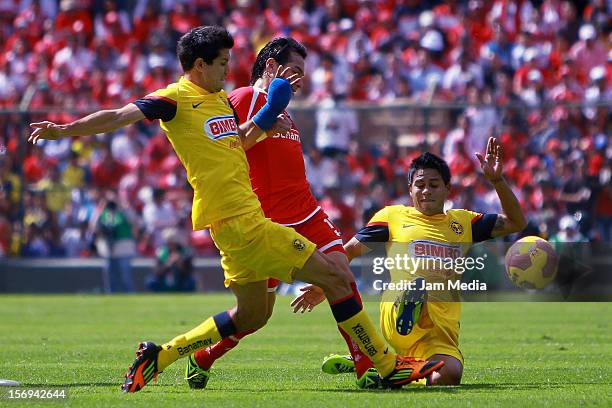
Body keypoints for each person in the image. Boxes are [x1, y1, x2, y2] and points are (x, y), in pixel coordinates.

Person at [28, 26, 441, 393]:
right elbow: (119, 115)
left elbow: (240, 140)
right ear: (199, 64)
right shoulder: (175, 98)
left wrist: (270, 114)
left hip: (235, 226)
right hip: (245, 222)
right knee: (336, 275)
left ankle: (162, 355)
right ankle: (383, 365)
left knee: (251, 316)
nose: (229, 69)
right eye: (223, 63)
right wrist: (66, 129)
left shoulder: (222, 100)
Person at [186, 37, 376, 390]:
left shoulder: (284, 108)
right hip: (267, 220)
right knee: (257, 318)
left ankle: (367, 363)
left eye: (304, 73)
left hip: (306, 210)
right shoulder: (244, 97)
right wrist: (269, 115)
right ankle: (203, 356)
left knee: (342, 272)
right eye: (295, 70)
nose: (301, 79)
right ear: (271, 67)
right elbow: (234, 145)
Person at [291, 140, 527, 385]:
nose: (426, 191)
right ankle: (403, 319)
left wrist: (497, 180)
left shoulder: (464, 223)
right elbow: (349, 251)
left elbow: (516, 223)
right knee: (418, 286)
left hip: (440, 330)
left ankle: (381, 365)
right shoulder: (392, 217)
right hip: (398, 311)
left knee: (447, 377)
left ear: (447, 189)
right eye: (420, 185)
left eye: (434, 185)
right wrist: (325, 282)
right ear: (410, 189)